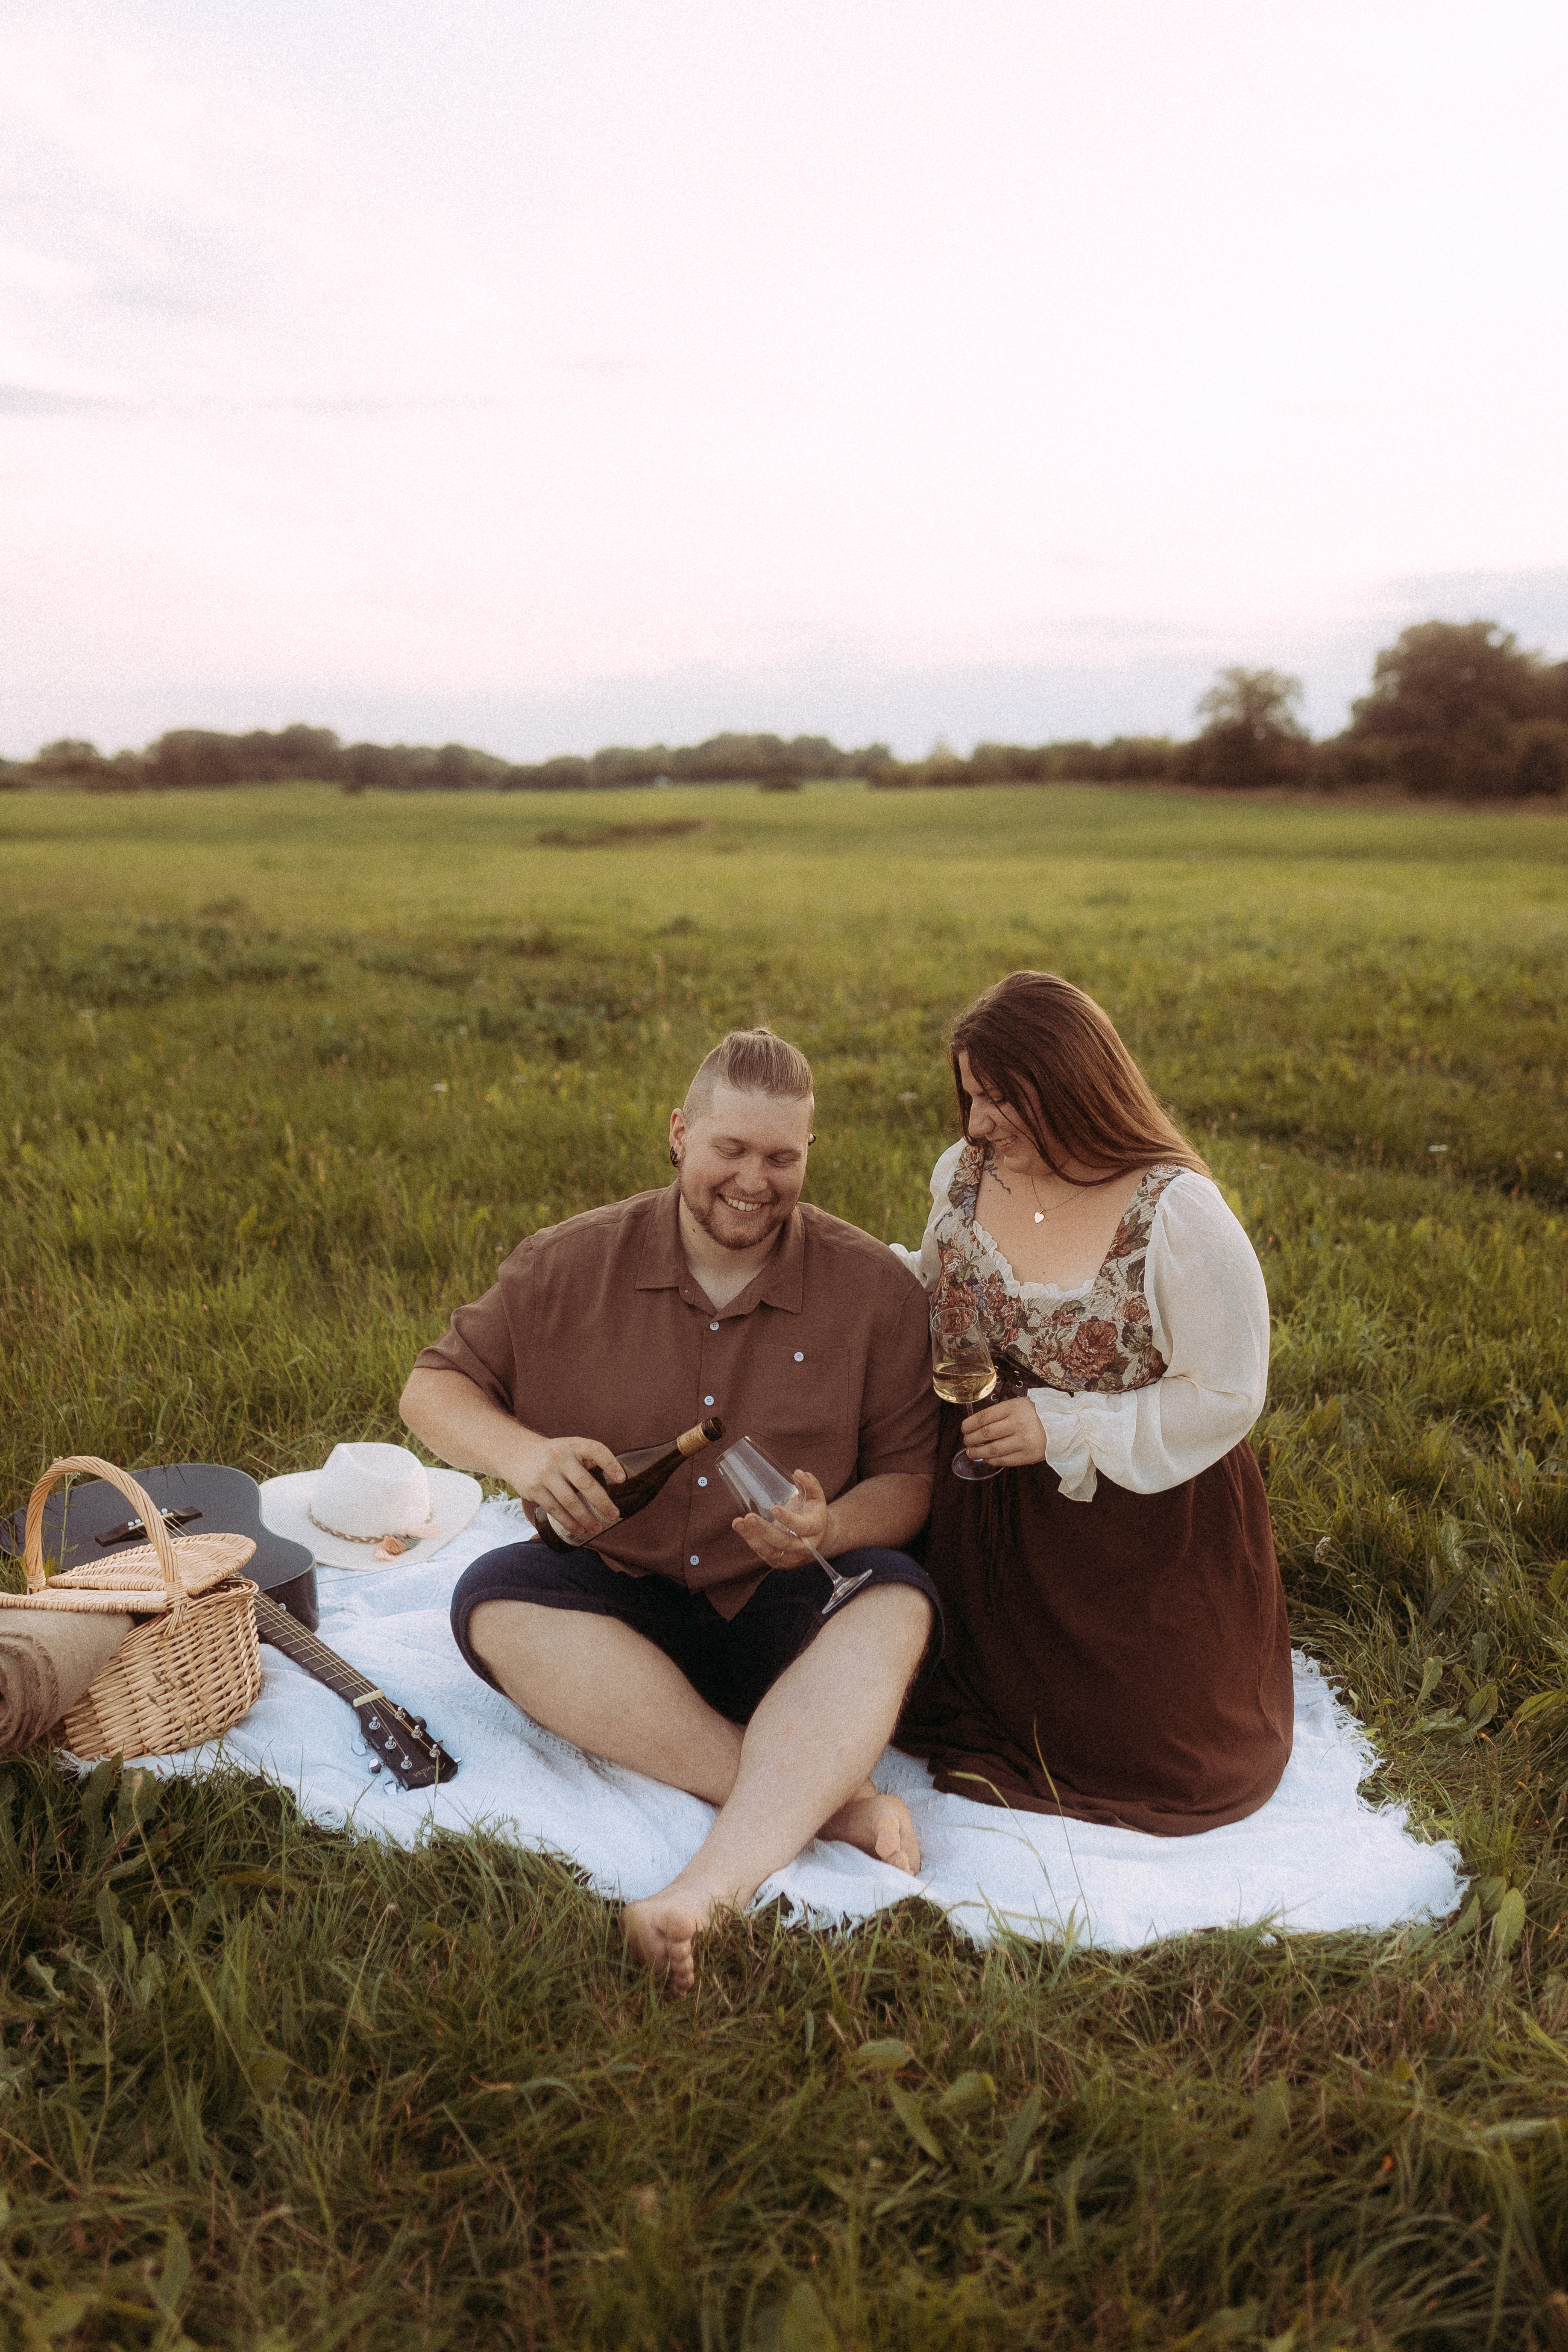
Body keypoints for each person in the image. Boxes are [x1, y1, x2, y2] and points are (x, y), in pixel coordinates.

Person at [400, 1028, 940, 1988]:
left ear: (808, 1153)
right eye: (731, 1149)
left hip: (784, 1611)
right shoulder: (568, 1261)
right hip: (620, 1604)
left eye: (783, 1156)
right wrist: (526, 1456)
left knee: (898, 1599)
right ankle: (813, 1799)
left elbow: (908, 1481)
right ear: (680, 1134)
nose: (754, 1179)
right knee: (492, 1595)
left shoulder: (876, 1291)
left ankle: (702, 1893)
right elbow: (434, 1388)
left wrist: (833, 1527)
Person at [893, 970, 1293, 1834]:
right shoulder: (963, 1176)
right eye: (970, 1095)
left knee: (1156, 1752)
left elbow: (1228, 1394)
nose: (976, 1123)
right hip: (984, 1504)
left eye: (1003, 1098)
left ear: (1076, 1087)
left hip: (1132, 1524)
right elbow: (935, 1286)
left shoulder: (1178, 1215)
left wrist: (1066, 1424)